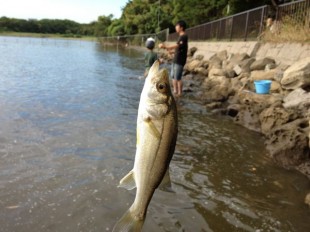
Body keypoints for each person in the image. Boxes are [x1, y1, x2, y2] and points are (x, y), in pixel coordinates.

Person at [159, 20, 188, 96]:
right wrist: (171, 52)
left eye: (177, 26)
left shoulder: (184, 36)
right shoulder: (180, 37)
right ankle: (175, 92)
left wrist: (165, 46)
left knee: (178, 78)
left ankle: (180, 93)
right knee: (172, 76)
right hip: (175, 60)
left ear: (181, 28)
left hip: (180, 61)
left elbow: (177, 45)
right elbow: (179, 50)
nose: (175, 27)